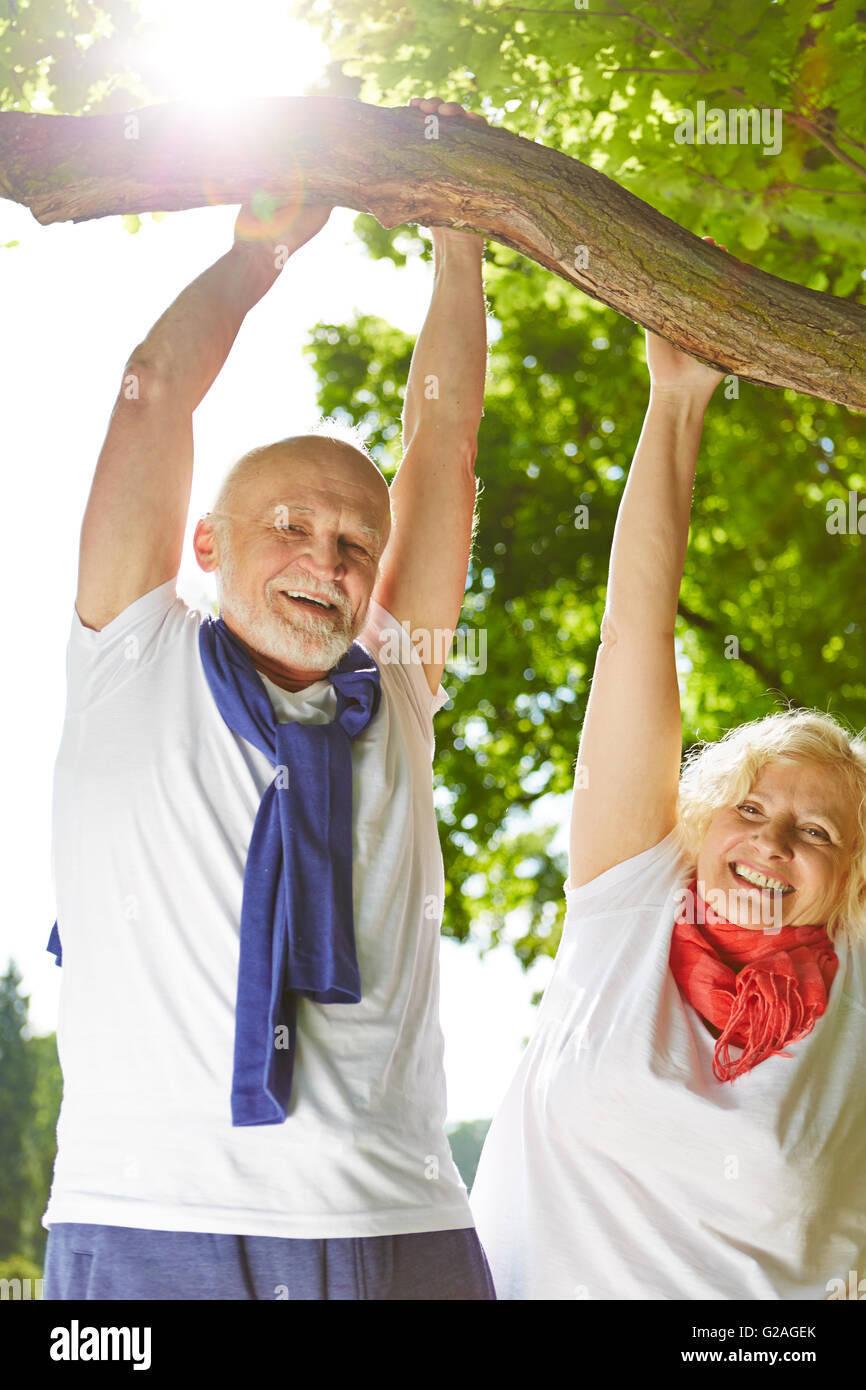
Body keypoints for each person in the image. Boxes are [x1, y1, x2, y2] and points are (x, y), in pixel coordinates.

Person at [42, 95, 496, 1301]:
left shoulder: (397, 684)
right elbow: (151, 387)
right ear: (205, 540)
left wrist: (460, 233)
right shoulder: (130, 650)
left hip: (391, 1214)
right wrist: (264, 249)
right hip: (148, 1218)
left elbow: (440, 451)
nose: (327, 560)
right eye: (289, 526)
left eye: (355, 541)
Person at [470, 262, 866, 1300]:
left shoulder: (856, 981)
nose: (770, 843)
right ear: (700, 822)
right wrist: (677, 396)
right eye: (749, 807)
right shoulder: (629, 894)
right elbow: (633, 628)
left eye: (815, 834)